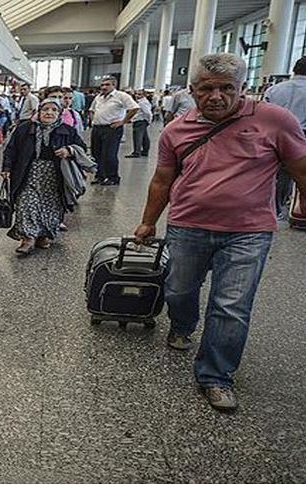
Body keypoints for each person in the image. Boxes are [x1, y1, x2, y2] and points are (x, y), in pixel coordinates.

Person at [134, 53, 306, 411]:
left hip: (249, 231)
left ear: (242, 88)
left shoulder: (275, 120)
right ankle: (182, 323)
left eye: (226, 88)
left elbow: (301, 169)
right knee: (179, 289)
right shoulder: (176, 130)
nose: (216, 96)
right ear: (192, 90)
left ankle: (215, 376)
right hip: (187, 225)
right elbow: (162, 179)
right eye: (206, 89)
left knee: (231, 306)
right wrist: (148, 221)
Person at [1, 98, 90, 255]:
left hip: (55, 175)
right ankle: (28, 238)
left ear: (60, 113)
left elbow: (82, 148)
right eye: (45, 109)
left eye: (54, 110)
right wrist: (7, 167)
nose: (49, 113)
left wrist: (69, 150)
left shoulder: (67, 130)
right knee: (26, 202)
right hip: (28, 172)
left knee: (51, 206)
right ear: (39, 112)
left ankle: (44, 235)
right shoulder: (25, 128)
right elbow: (11, 149)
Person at [264, 56, 306, 220]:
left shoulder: (275, 89)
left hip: (274, 135)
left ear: (294, 70)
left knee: (277, 174)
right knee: (300, 174)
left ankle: (275, 209)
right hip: (303, 135)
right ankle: (297, 211)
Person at [88, 76, 139, 185]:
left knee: (109, 154)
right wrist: (93, 120)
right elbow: (91, 110)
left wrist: (123, 121)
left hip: (112, 129)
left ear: (114, 85)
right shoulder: (98, 97)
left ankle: (113, 177)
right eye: (102, 85)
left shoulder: (121, 96)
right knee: (96, 153)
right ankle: (100, 176)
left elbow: (134, 108)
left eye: (107, 85)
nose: (104, 87)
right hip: (97, 128)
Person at [126, 89, 152, 158]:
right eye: (137, 94)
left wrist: (149, 120)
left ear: (144, 95)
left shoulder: (142, 103)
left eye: (140, 94)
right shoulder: (142, 102)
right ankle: (145, 151)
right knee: (144, 136)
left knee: (137, 137)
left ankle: (136, 152)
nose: (137, 95)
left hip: (140, 121)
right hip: (141, 120)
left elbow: (147, 113)